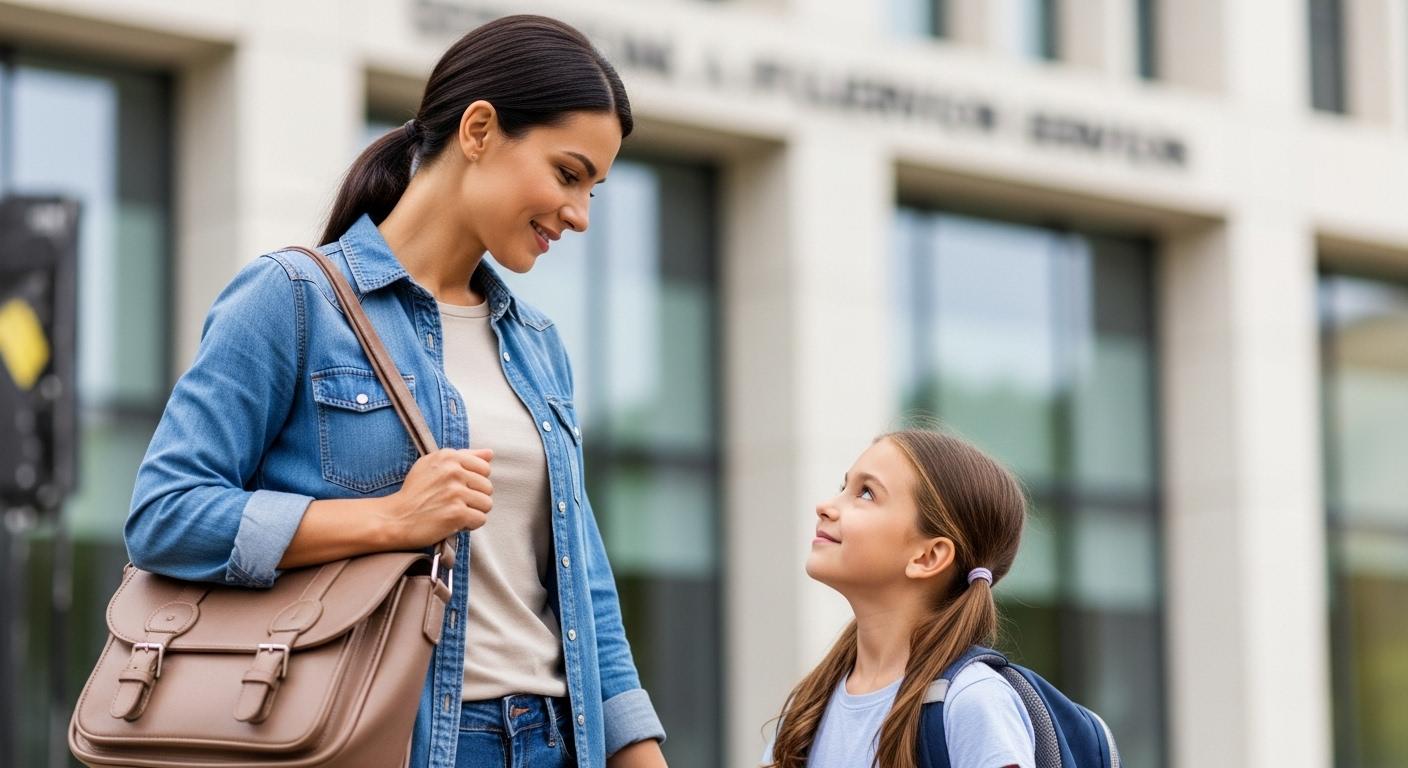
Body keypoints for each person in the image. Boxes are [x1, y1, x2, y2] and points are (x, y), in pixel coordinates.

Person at [124, 14, 667, 768]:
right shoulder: (290, 299)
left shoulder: (537, 344)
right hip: (393, 740)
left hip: (552, 741)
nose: (579, 215)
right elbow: (165, 515)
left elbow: (584, 586)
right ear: (479, 129)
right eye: (569, 174)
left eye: (595, 191)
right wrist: (387, 519)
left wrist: (637, 752)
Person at [762, 429, 1036, 768]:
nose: (825, 507)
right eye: (843, 487)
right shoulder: (807, 709)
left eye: (865, 494)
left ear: (928, 557)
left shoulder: (972, 702)